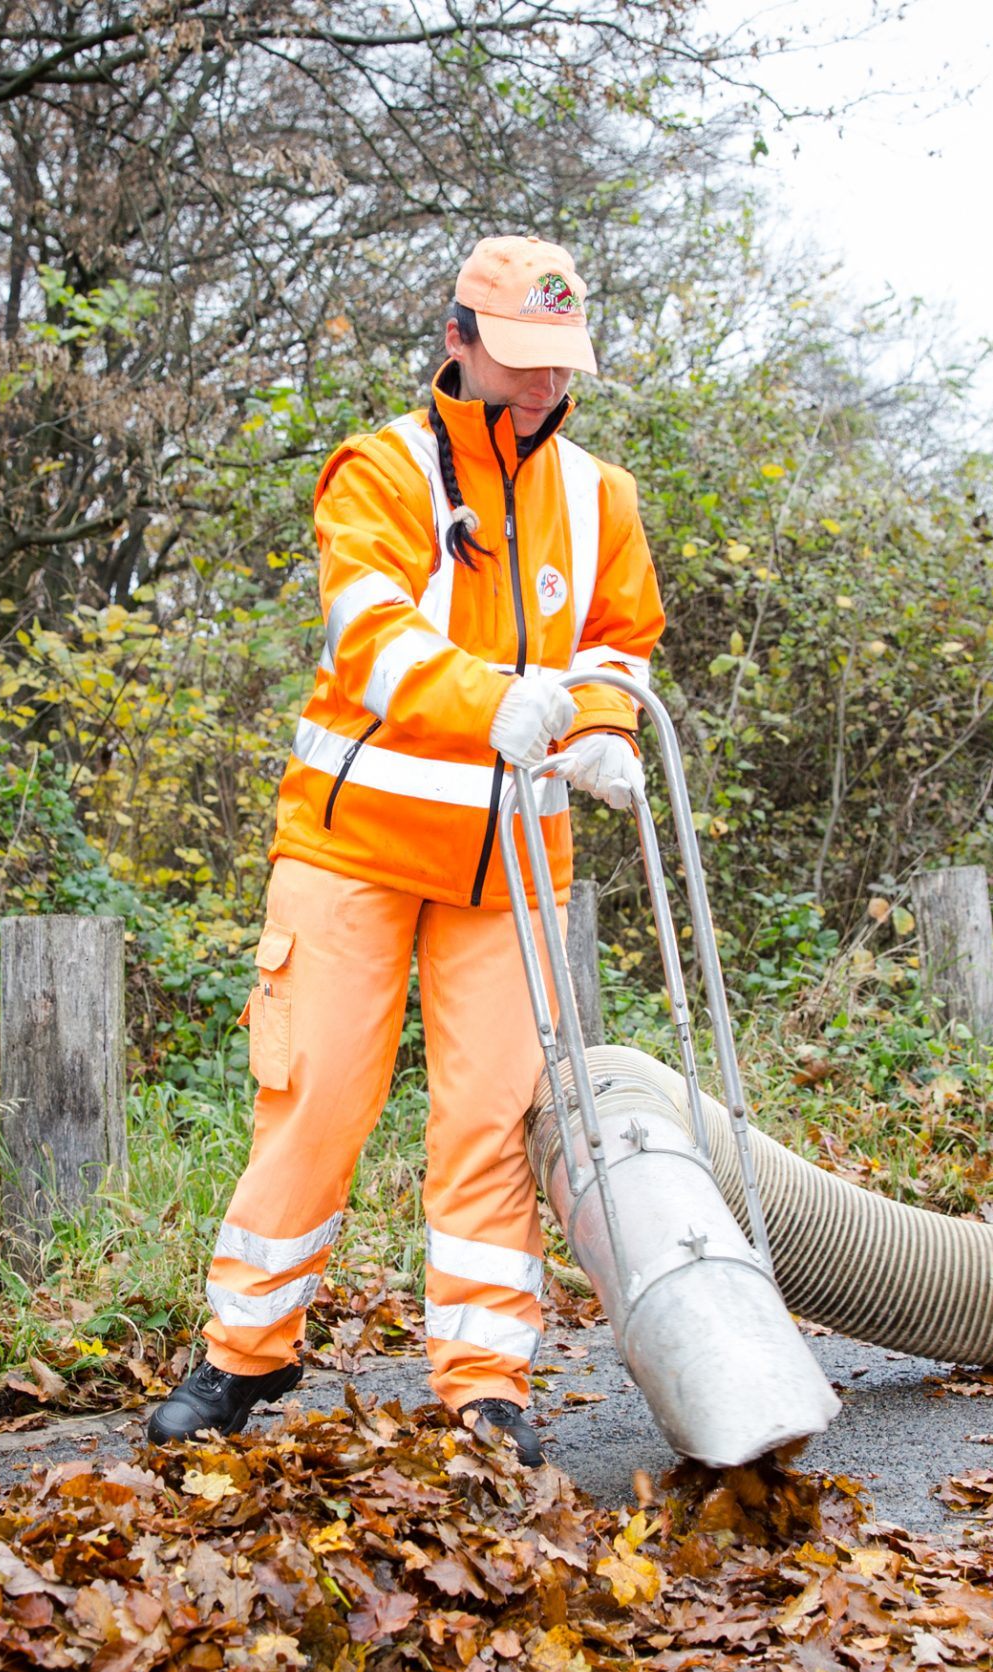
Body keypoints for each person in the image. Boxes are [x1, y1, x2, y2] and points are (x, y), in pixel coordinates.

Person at [146, 236, 664, 1465]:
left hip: (512, 869)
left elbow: (615, 646)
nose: (543, 387)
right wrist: (491, 702)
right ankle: (240, 1359)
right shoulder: (376, 473)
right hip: (354, 847)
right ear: (458, 341)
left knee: (489, 1120)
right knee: (315, 1095)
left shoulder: (600, 497)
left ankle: (484, 1385)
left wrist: (599, 730)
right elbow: (369, 638)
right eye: (520, 362)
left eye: (560, 364)